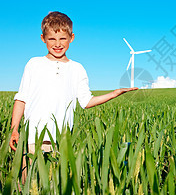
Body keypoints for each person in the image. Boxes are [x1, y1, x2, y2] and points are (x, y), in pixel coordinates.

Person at [9, 11, 137, 153]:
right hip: (31, 140)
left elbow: (86, 102)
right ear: (43, 38)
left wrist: (114, 93)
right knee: (29, 175)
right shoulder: (34, 64)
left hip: (61, 141)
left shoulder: (77, 69)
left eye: (63, 38)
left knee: (56, 175)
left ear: (72, 38)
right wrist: (14, 129)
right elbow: (21, 99)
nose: (57, 44)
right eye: (52, 39)